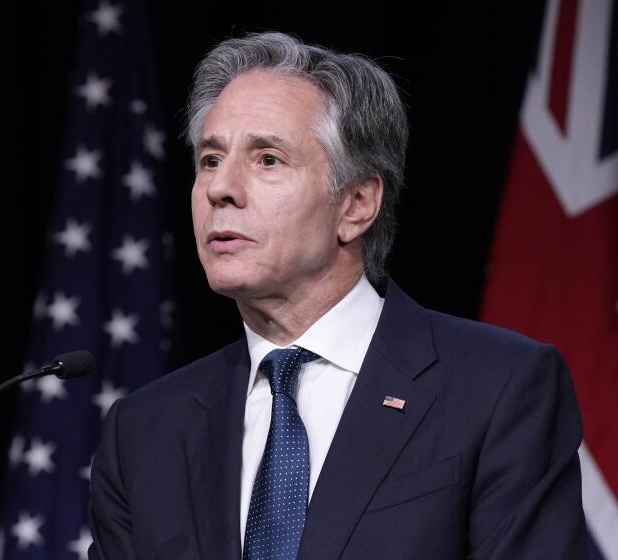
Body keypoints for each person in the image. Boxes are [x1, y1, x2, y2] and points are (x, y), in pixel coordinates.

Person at [88, 32, 587, 559]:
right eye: (210, 160)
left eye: (268, 160)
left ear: (356, 204)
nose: (219, 188)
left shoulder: (499, 387)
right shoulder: (144, 432)